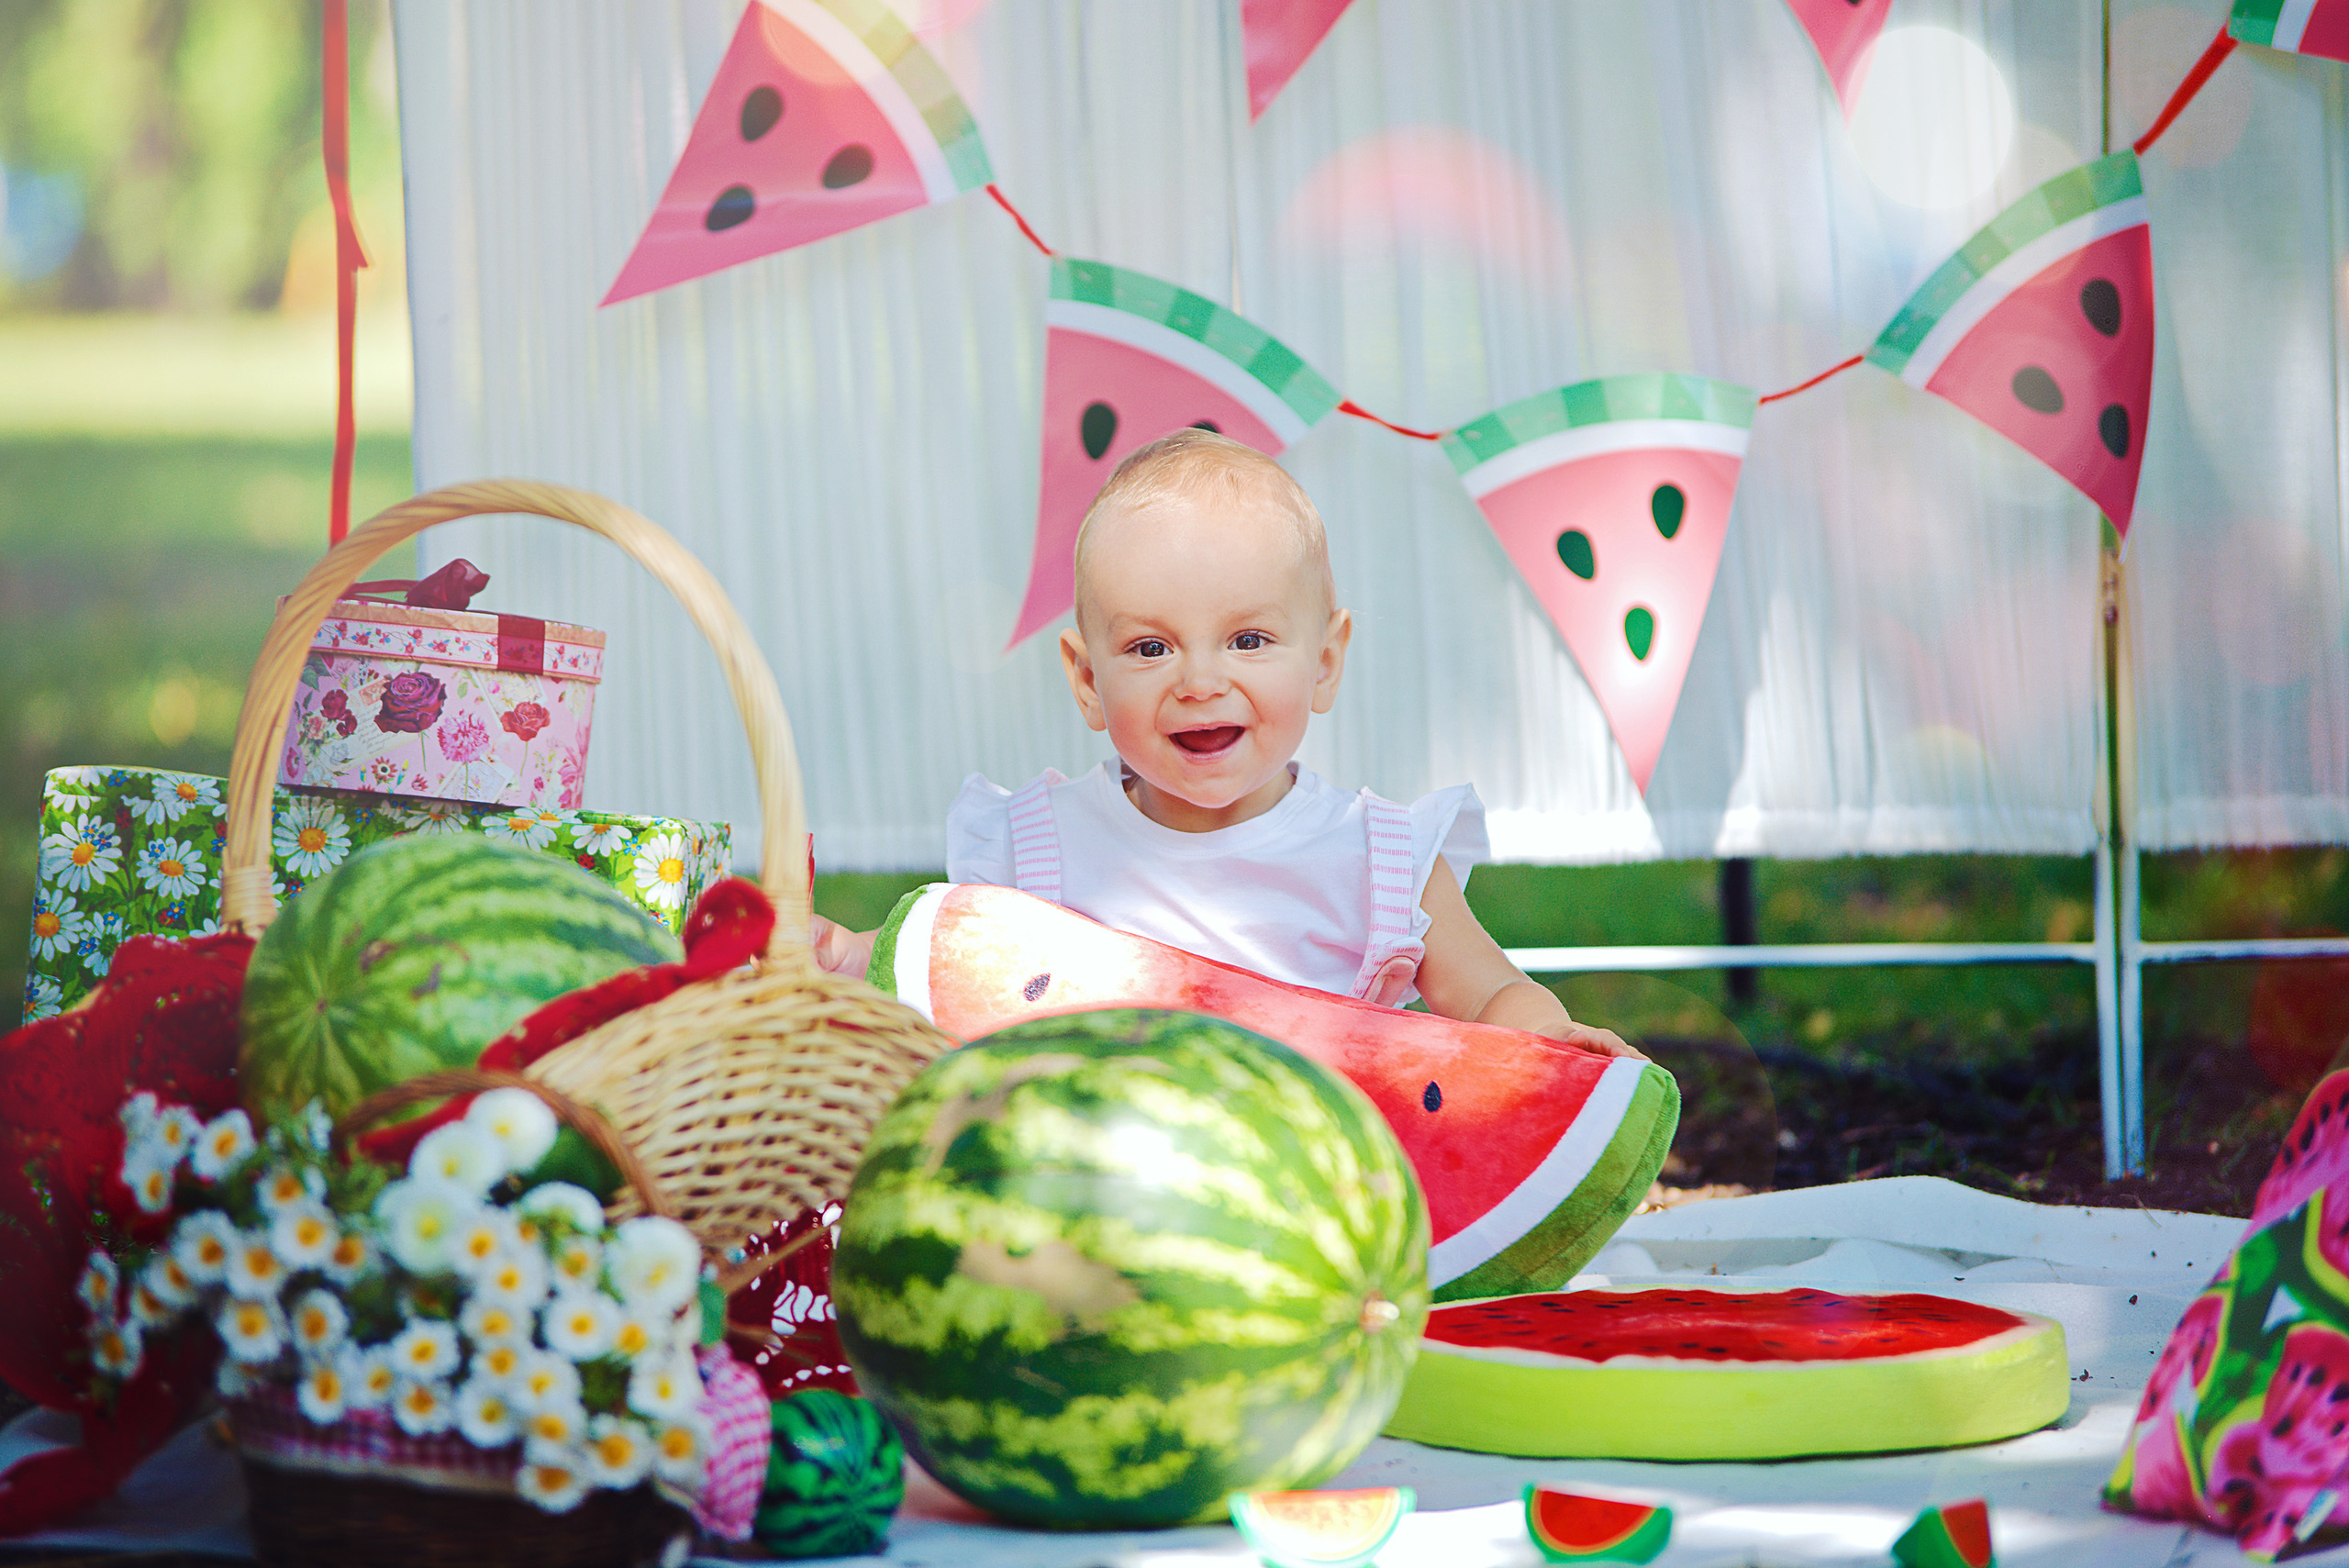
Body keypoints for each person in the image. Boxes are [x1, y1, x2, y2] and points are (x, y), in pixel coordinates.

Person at [813, 428, 1638, 1059]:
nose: (1200, 681)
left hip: (1327, 1195)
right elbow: (940, 966)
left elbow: (1492, 994)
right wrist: (848, 956)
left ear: (1324, 661)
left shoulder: (1383, 856)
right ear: (1087, 680)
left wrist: (1551, 1040)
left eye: (1247, 640)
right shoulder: (1034, 847)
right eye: (1149, 648)